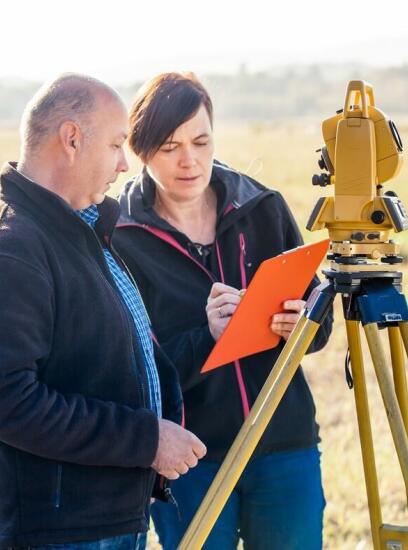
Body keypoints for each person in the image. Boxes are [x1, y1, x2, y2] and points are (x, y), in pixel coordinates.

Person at [0, 73, 207, 550]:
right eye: (114, 146)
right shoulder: (8, 252)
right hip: (59, 535)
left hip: (104, 521)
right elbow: (6, 404)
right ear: (71, 139)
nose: (125, 164)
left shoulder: (78, 231)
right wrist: (146, 440)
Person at [112, 72, 333, 550]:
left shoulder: (263, 207)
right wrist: (207, 336)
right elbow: (130, 369)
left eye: (201, 141)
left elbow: (318, 315)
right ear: (140, 149)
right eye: (169, 147)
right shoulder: (120, 236)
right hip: (191, 456)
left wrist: (305, 326)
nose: (189, 160)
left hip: (284, 442)